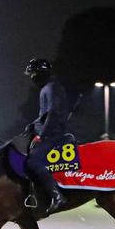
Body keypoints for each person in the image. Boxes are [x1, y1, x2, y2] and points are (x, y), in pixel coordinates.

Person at [24, 58, 69, 214]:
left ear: (40, 74)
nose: (31, 78)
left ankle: (57, 197)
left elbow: (53, 113)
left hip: (52, 135)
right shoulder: (48, 88)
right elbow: (44, 115)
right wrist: (33, 124)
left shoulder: (50, 88)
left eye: (33, 74)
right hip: (47, 133)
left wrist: (41, 136)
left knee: (33, 162)